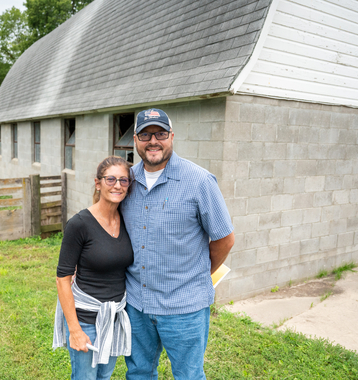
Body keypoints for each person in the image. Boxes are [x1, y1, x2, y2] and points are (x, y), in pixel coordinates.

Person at [120, 108, 235, 380]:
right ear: (135, 140)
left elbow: (224, 239)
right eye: (145, 134)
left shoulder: (199, 181)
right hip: (137, 303)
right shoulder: (126, 182)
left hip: (184, 308)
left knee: (188, 376)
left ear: (172, 136)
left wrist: (196, 275)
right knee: (138, 373)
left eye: (160, 133)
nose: (153, 141)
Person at [53, 156, 134, 380]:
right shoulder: (79, 224)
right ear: (98, 183)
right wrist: (75, 330)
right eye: (110, 179)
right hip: (86, 321)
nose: (117, 185)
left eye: (123, 180)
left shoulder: (127, 220)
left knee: (104, 377)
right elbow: (62, 279)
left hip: (114, 317)